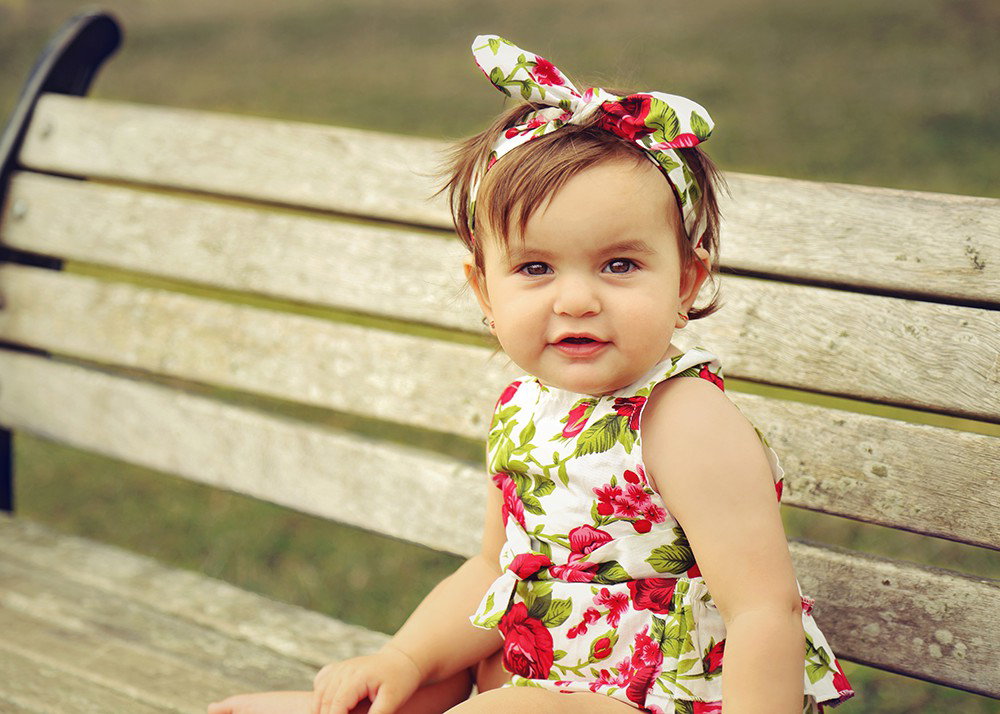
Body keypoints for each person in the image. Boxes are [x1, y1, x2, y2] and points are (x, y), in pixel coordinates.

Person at [208, 34, 856, 714]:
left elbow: (762, 611)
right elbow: (493, 569)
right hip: (532, 683)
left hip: (658, 699)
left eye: (620, 265)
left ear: (686, 282)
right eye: (535, 268)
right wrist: (400, 656)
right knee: (374, 695)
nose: (576, 300)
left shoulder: (683, 417)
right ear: (486, 293)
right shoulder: (523, 407)